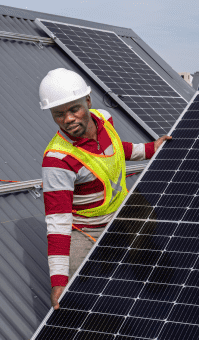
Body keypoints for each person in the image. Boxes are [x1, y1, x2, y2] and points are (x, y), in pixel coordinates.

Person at [39, 68, 171, 310]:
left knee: (150, 221)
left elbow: (117, 148)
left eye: (74, 109)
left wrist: (151, 148)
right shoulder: (57, 160)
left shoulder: (104, 118)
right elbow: (57, 221)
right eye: (58, 114)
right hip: (88, 225)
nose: (68, 119)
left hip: (120, 205)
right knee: (76, 284)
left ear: (88, 101)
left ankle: (132, 264)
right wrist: (58, 280)